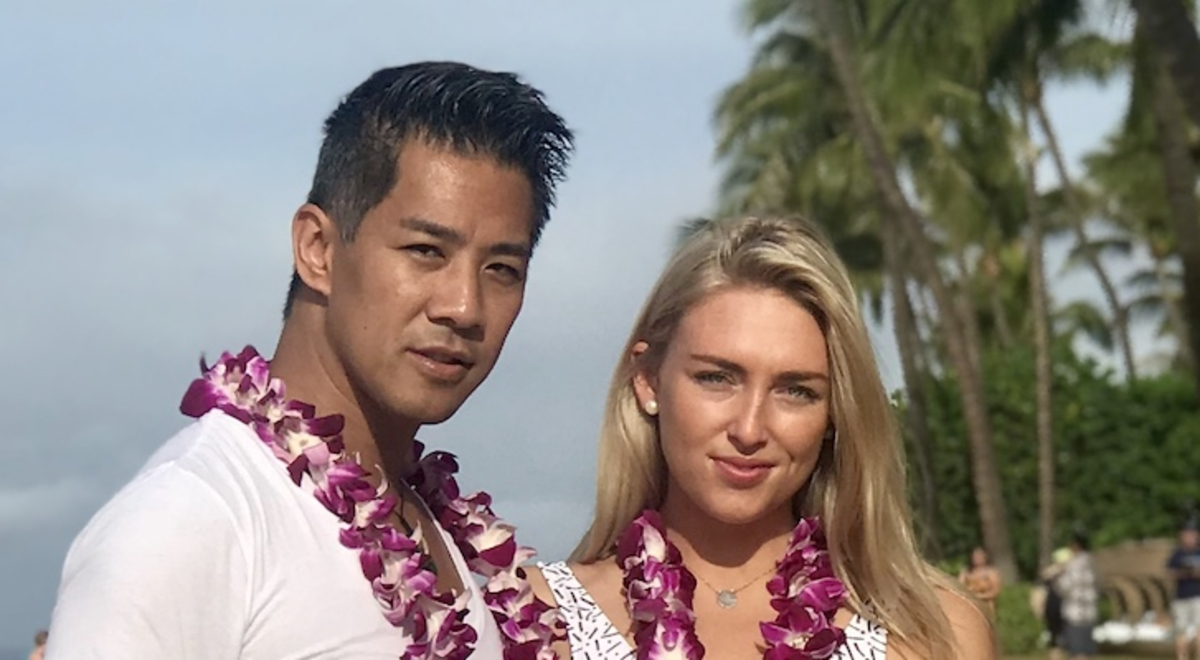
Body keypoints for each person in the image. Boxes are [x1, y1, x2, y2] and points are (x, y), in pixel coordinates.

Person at [45, 61, 573, 659]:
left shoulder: (445, 536)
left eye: (501, 269)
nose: (464, 307)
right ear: (317, 249)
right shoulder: (195, 519)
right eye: (426, 251)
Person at [529, 216, 994, 659]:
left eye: (795, 391)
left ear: (835, 413)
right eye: (716, 378)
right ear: (649, 380)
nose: (750, 429)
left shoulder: (933, 634)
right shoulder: (536, 620)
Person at [1054, 532, 1099, 660]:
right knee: (1086, 650)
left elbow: (1064, 586)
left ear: (1076, 546)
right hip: (1090, 612)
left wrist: (1057, 577)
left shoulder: (1073, 565)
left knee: (1077, 651)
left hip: (1075, 612)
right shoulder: (1093, 563)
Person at [1168, 522, 1200, 660]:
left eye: (1193, 535)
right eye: (1187, 535)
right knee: (1181, 630)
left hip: (1197, 596)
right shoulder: (1177, 554)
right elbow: (1170, 573)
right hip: (1181, 597)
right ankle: (1182, 657)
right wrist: (1184, 572)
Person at [959, 546, 1003, 617]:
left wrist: (979, 596)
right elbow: (959, 586)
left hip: (985, 604)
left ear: (985, 557)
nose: (977, 558)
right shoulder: (966, 571)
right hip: (969, 603)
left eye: (980, 556)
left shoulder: (991, 572)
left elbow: (995, 591)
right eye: (975, 556)